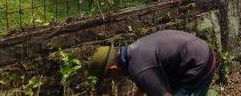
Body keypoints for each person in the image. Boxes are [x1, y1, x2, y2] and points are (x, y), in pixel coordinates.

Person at [88, 30, 217, 96]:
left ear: (113, 68)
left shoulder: (138, 67)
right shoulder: (132, 52)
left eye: (109, 76)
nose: (113, 80)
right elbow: (143, 87)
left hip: (199, 63)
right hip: (192, 57)